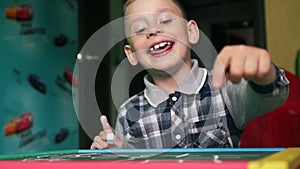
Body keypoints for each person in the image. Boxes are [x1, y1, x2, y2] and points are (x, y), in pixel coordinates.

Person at [90, 0, 289, 149]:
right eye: (140, 29)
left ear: (192, 32)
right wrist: (116, 155)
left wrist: (264, 74)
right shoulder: (127, 113)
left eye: (165, 20)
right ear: (131, 54)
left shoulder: (224, 88)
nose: (153, 30)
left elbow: (273, 92)